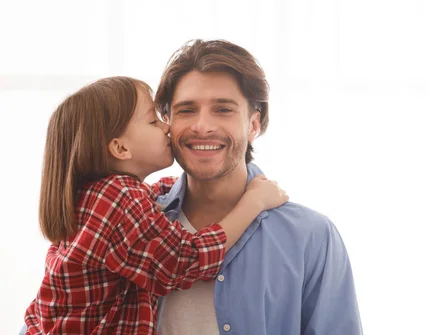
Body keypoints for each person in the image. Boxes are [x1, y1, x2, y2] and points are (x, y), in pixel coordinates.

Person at [22, 76, 288, 335]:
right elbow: (184, 260)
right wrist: (254, 202)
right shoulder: (119, 198)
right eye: (153, 120)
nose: (166, 127)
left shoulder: (101, 195)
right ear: (120, 148)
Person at [153, 39, 363, 334]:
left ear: (254, 125)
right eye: (186, 110)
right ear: (167, 122)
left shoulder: (311, 236)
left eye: (223, 109)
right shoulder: (136, 224)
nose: (202, 126)